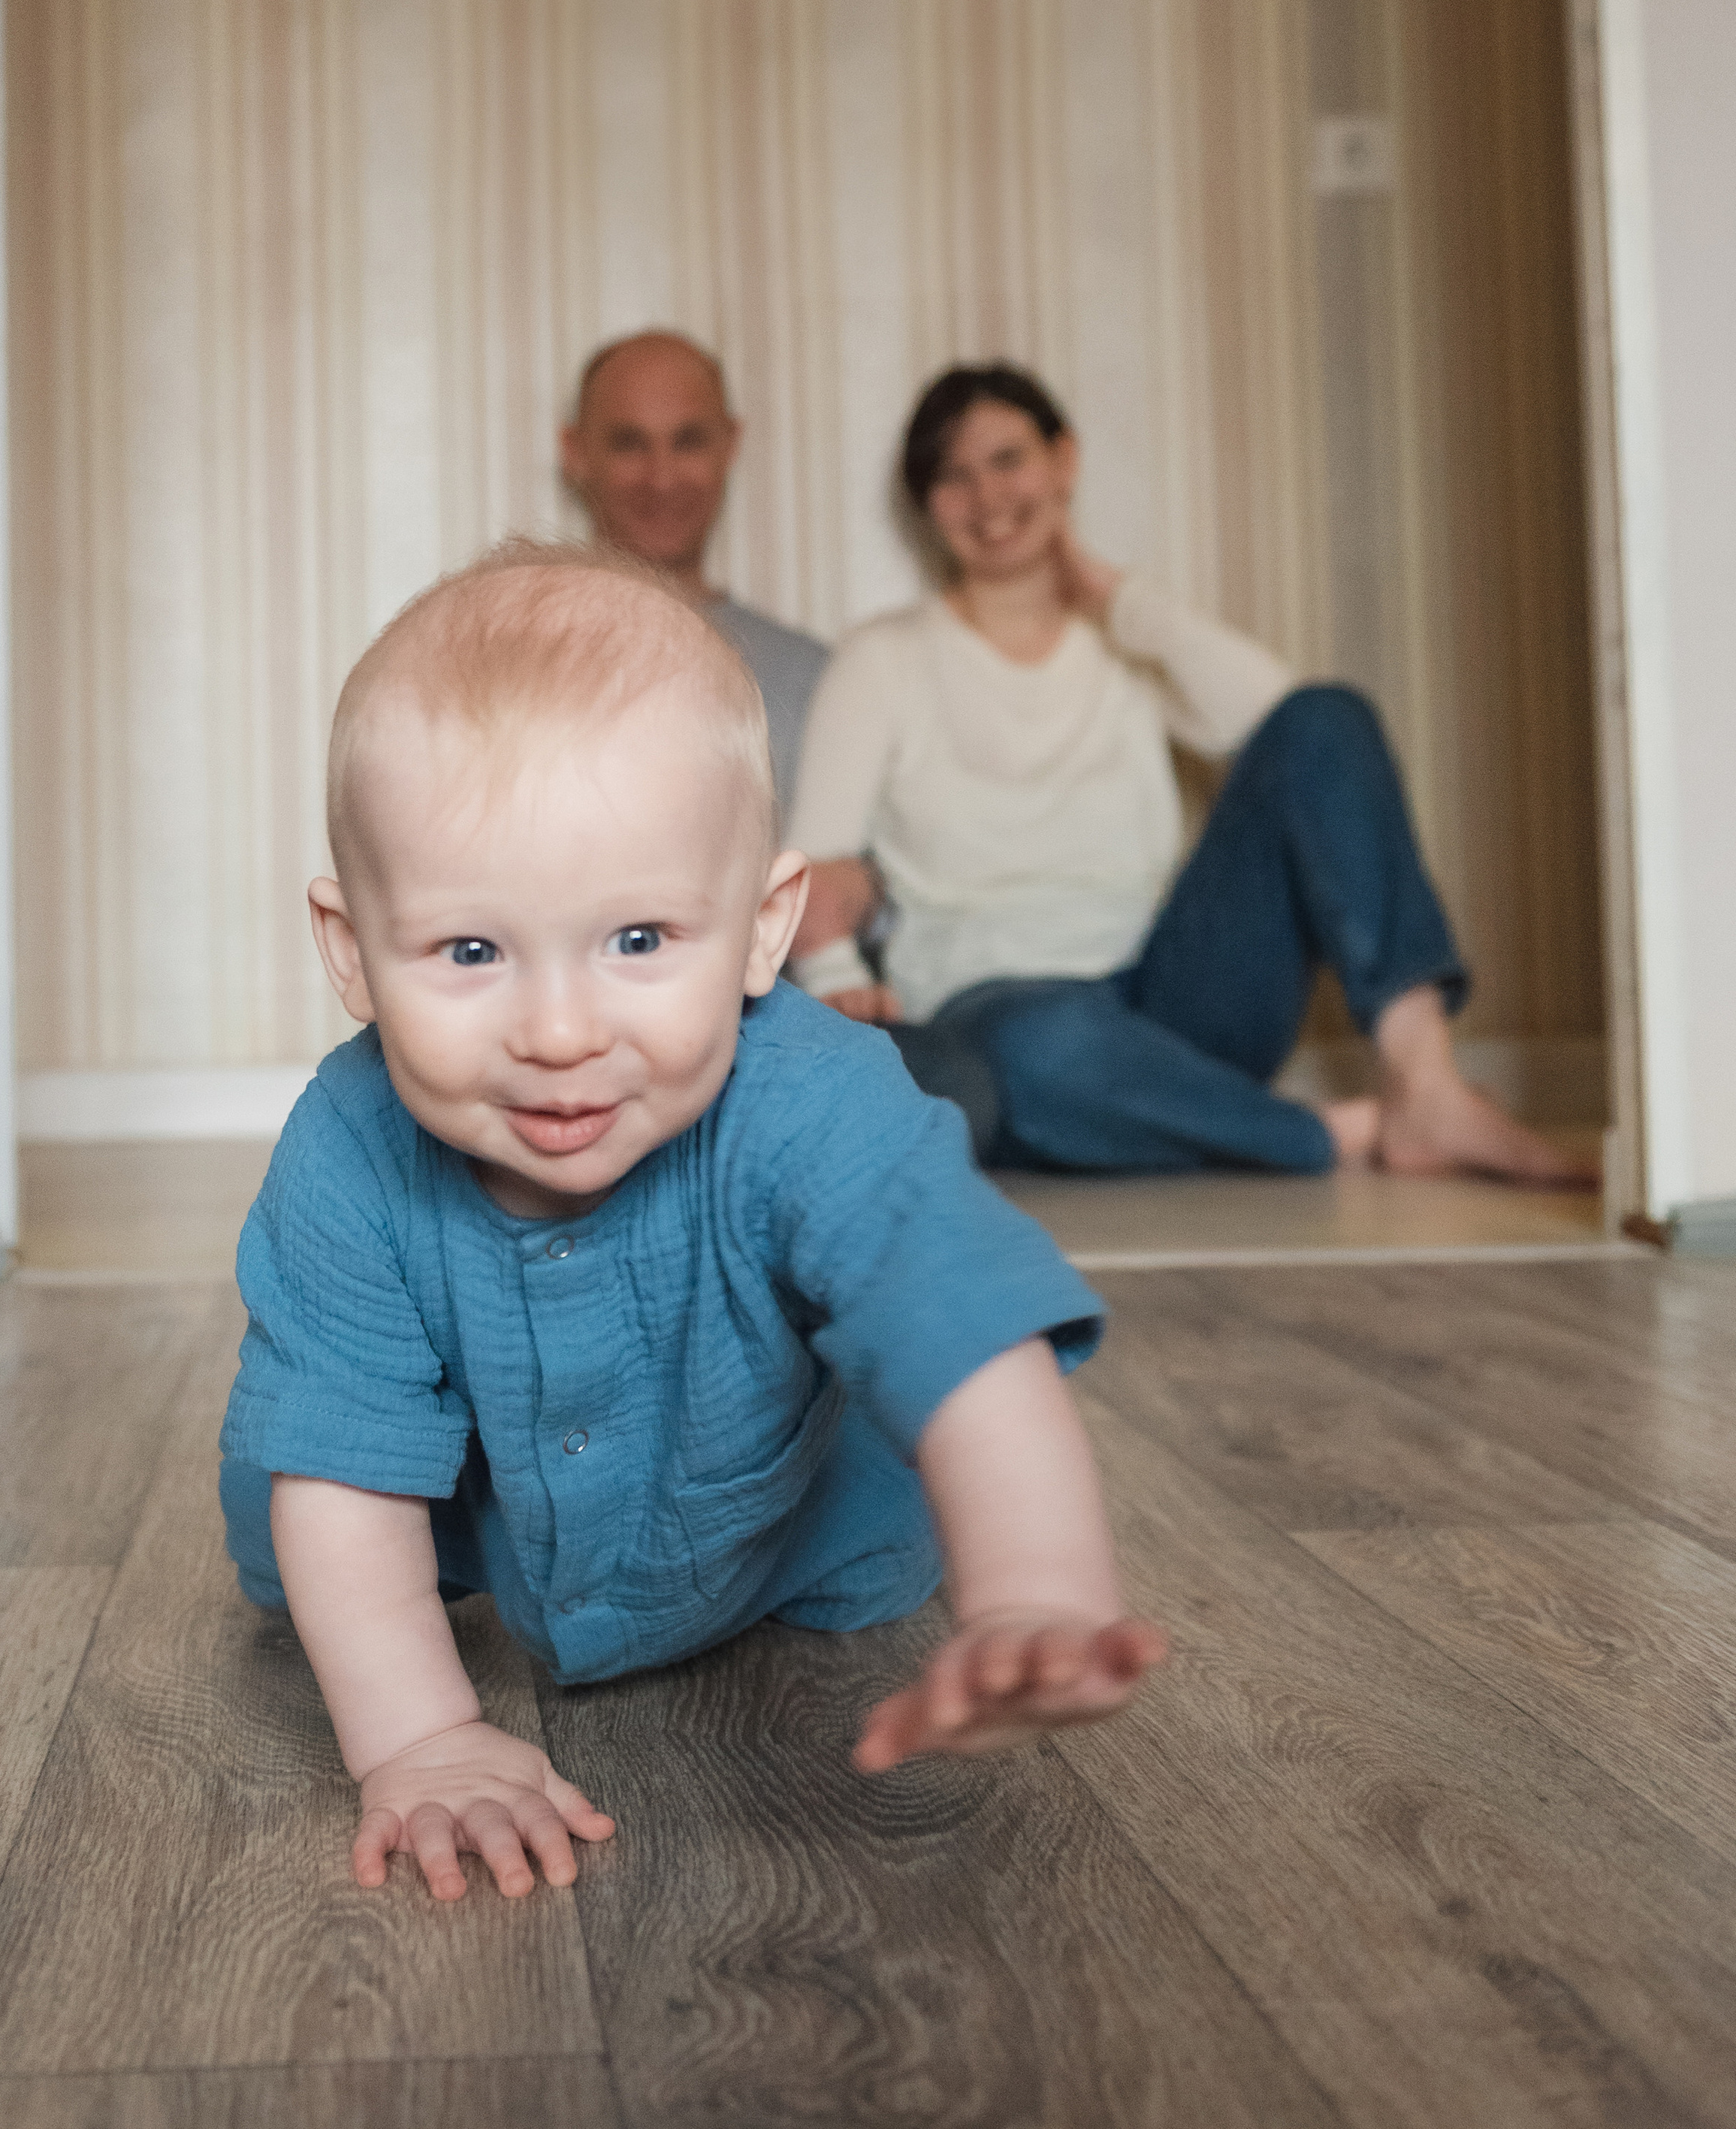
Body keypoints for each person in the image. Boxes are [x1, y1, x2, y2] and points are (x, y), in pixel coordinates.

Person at [219, 545, 1165, 1904]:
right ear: (353, 951)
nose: (560, 1031)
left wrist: (1035, 1593)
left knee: (874, 1516)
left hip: (801, 1528)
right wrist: (420, 1738)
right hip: (480, 1531)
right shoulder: (346, 1148)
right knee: (291, 1500)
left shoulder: (820, 1098)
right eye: (472, 950)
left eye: (640, 939)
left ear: (766, 927)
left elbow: (961, 1317)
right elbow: (345, 1466)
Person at [786, 362, 1588, 1188]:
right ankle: (1337, 1129)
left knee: (1329, 712)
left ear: (1064, 460)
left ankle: (1423, 1078)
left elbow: (1299, 732)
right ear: (927, 505)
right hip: (997, 1008)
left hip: (1175, 994)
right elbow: (814, 865)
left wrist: (1119, 600)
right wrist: (837, 980)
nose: (986, 496)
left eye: (1007, 460)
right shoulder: (882, 658)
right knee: (1038, 1050)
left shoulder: (1126, 640)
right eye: (953, 476)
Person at [560, 329, 827, 823]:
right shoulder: (509, 657)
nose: (661, 478)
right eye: (628, 444)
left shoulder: (819, 683)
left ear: (731, 445)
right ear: (575, 451)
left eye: (688, 442)